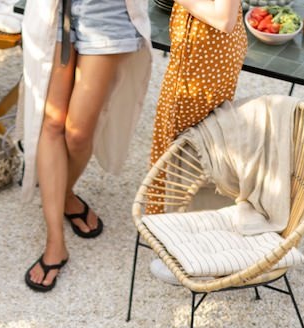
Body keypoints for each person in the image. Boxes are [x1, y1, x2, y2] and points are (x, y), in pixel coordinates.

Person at [19, 0, 153, 292]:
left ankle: (63, 193)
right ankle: (55, 242)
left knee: (77, 133)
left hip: (108, 11)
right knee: (52, 122)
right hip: (52, 8)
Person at [149, 0, 244, 167]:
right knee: (186, 136)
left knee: (185, 143)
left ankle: (174, 190)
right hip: (201, 55)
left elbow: (224, 20)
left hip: (205, 60)